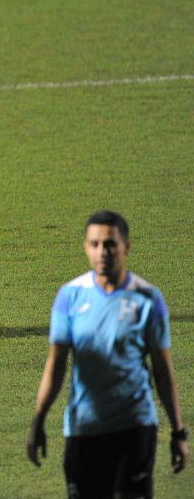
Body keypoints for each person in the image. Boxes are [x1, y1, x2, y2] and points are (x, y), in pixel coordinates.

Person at [27, 210, 189, 498]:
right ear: (86, 248)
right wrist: (38, 421)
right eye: (95, 244)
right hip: (82, 429)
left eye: (110, 244)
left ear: (126, 247)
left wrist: (178, 431)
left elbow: (162, 370)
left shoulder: (149, 299)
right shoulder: (69, 296)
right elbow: (56, 366)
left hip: (135, 428)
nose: (103, 251)